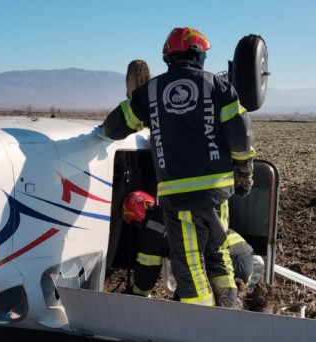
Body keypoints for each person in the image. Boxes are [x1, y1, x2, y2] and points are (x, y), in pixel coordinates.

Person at [100, 27, 255, 308]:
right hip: (217, 194)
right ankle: (230, 310)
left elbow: (115, 126)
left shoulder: (151, 91)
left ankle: (202, 324)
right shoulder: (220, 87)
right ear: (198, 56)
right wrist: (244, 174)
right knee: (218, 254)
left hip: (178, 197)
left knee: (189, 266)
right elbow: (240, 136)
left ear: (169, 57)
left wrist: (99, 133)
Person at [121, 191, 262, 309]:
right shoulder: (171, 210)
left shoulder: (150, 232)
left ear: (134, 220)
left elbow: (146, 276)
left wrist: (134, 294)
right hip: (243, 256)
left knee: (183, 309)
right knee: (224, 311)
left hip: (224, 263)